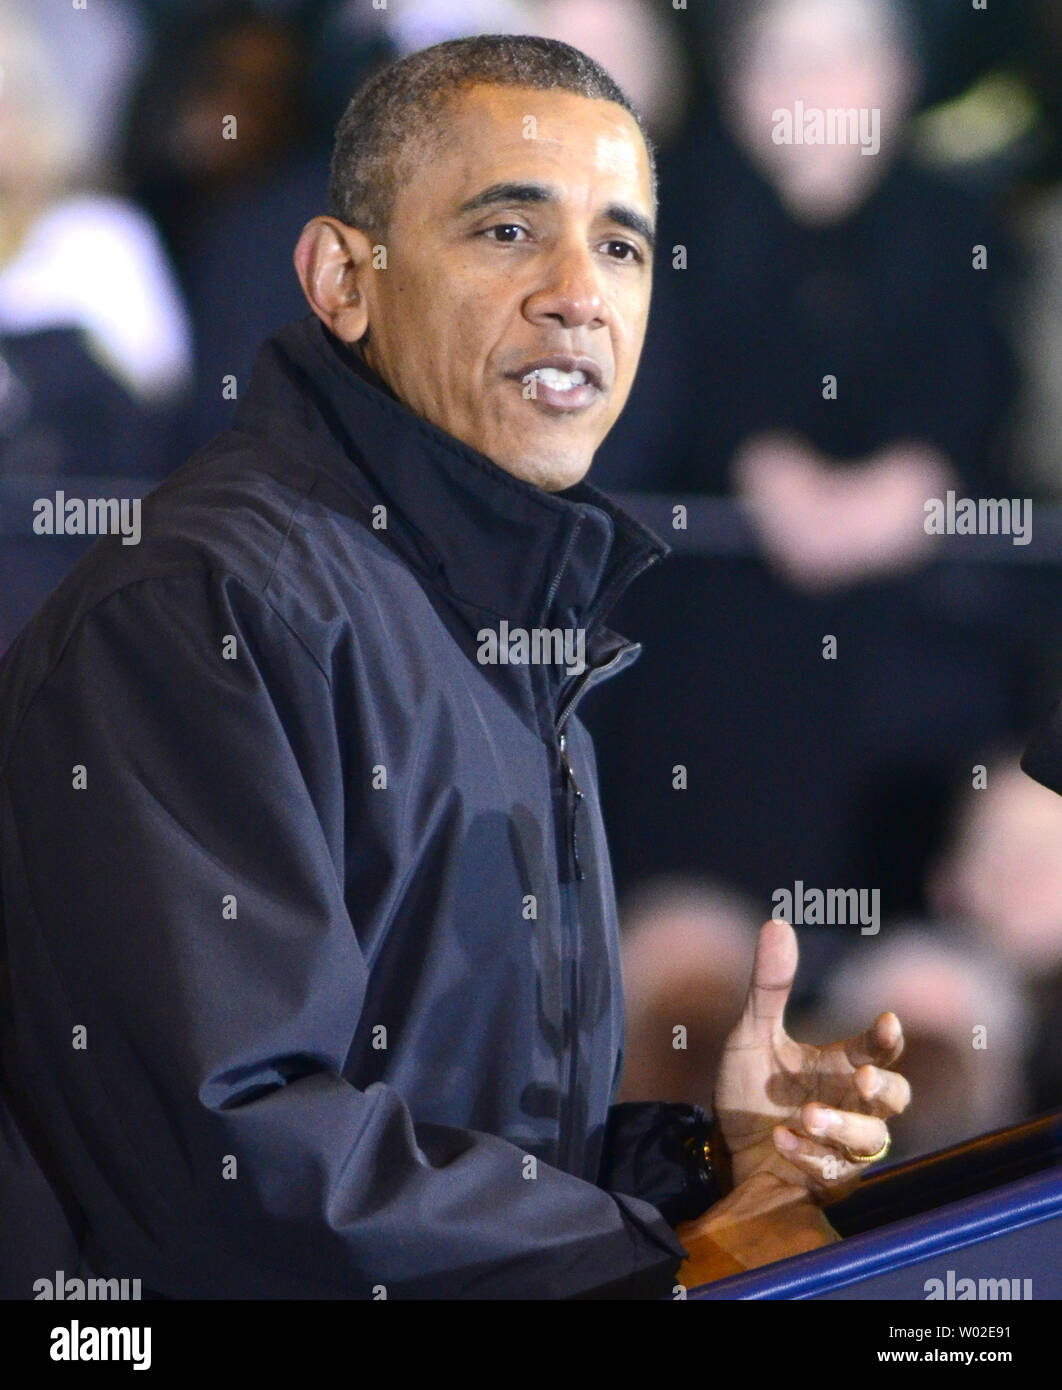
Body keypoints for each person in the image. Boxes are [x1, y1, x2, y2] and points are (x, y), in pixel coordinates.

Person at [0, 35, 909, 1300]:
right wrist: (655, 1257)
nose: (578, 294)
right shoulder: (200, 609)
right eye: (505, 232)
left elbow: (468, 1135)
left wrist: (711, 1162)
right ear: (340, 281)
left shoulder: (507, 613)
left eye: (624, 246)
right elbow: (243, 1157)